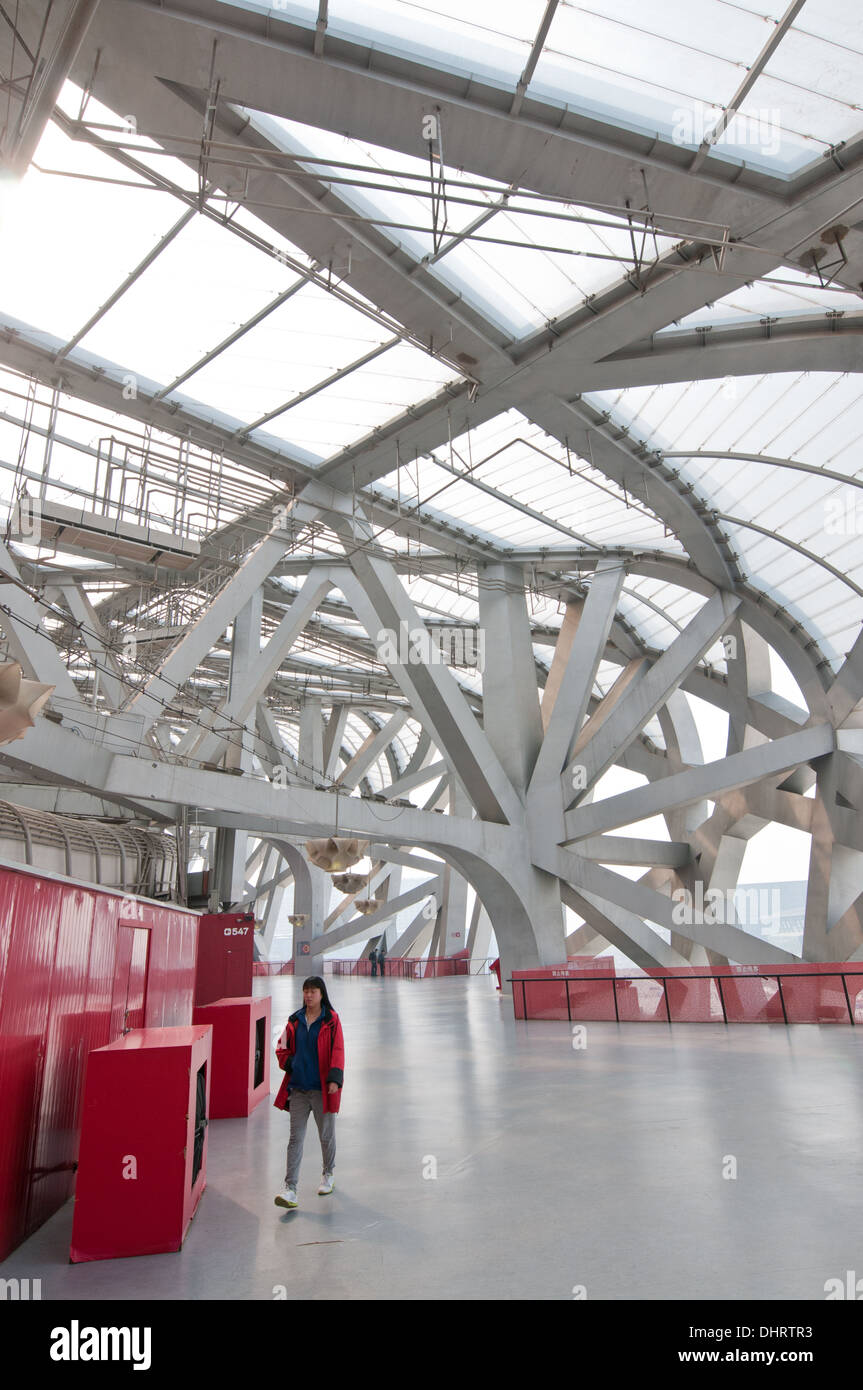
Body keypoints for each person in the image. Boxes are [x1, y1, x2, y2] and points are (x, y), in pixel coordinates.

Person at [273, 977, 344, 1209]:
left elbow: (338, 1049)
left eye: (313, 991)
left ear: (321, 994)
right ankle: (290, 1189)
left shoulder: (331, 1020)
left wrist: (335, 1078)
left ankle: (328, 1174)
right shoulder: (294, 1021)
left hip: (321, 1088)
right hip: (298, 1089)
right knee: (296, 1138)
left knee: (326, 1135)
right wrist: (289, 1063)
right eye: (305, 992)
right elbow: (280, 1047)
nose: (309, 996)